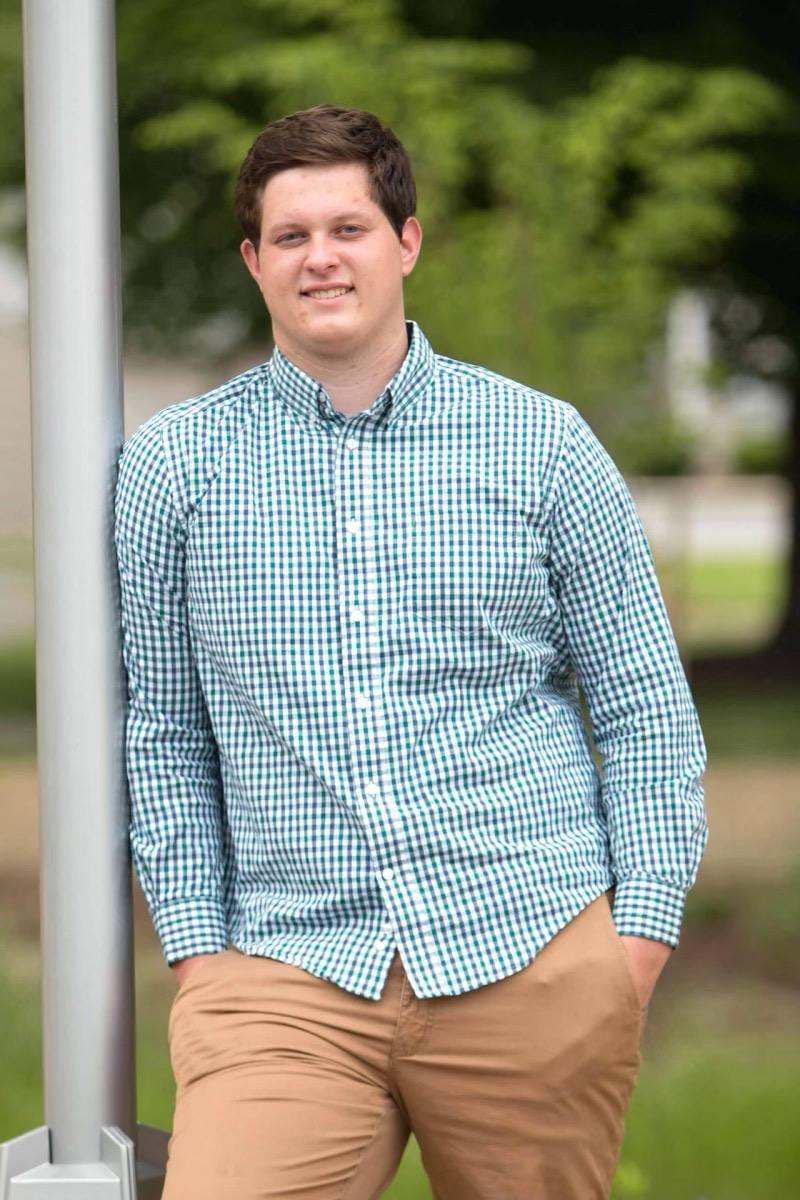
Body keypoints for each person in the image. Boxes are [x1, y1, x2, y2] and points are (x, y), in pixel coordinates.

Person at [113, 104, 709, 1199]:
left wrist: (633, 946)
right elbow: (163, 730)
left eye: (348, 228)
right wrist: (198, 952)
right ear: (253, 262)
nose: (320, 257)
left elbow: (643, 709)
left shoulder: (541, 444)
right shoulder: (174, 466)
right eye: (290, 236)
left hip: (530, 950)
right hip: (287, 969)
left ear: (406, 242)